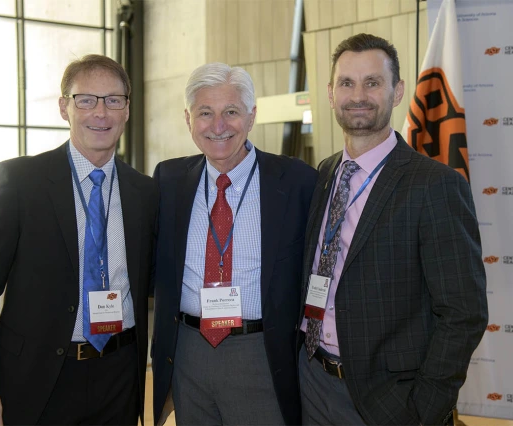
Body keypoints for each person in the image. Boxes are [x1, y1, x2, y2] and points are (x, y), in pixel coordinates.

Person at [0, 54, 158, 425]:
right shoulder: (20, 182)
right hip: (36, 378)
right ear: (64, 107)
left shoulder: (144, 193)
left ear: (127, 110)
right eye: (86, 99)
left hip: (120, 377)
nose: (101, 112)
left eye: (114, 100)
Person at [298, 33, 488, 426]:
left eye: (373, 82)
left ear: (397, 91)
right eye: (347, 83)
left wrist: (423, 408)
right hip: (311, 382)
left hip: (387, 400)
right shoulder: (323, 174)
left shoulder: (435, 185)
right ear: (331, 93)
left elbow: (463, 312)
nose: (358, 95)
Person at [151, 62, 318, 425]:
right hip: (188, 352)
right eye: (205, 113)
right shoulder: (169, 179)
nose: (218, 126)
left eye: (231, 112)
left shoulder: (297, 182)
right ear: (187, 118)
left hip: (261, 353)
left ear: (252, 115)